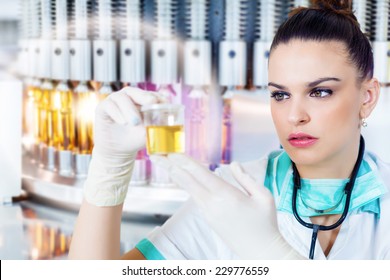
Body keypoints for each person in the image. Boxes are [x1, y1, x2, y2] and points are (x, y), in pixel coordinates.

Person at [68, 0, 390, 260]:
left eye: (320, 92)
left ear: (368, 96)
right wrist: (109, 170)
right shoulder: (230, 196)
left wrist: (271, 256)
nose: (294, 116)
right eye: (280, 94)